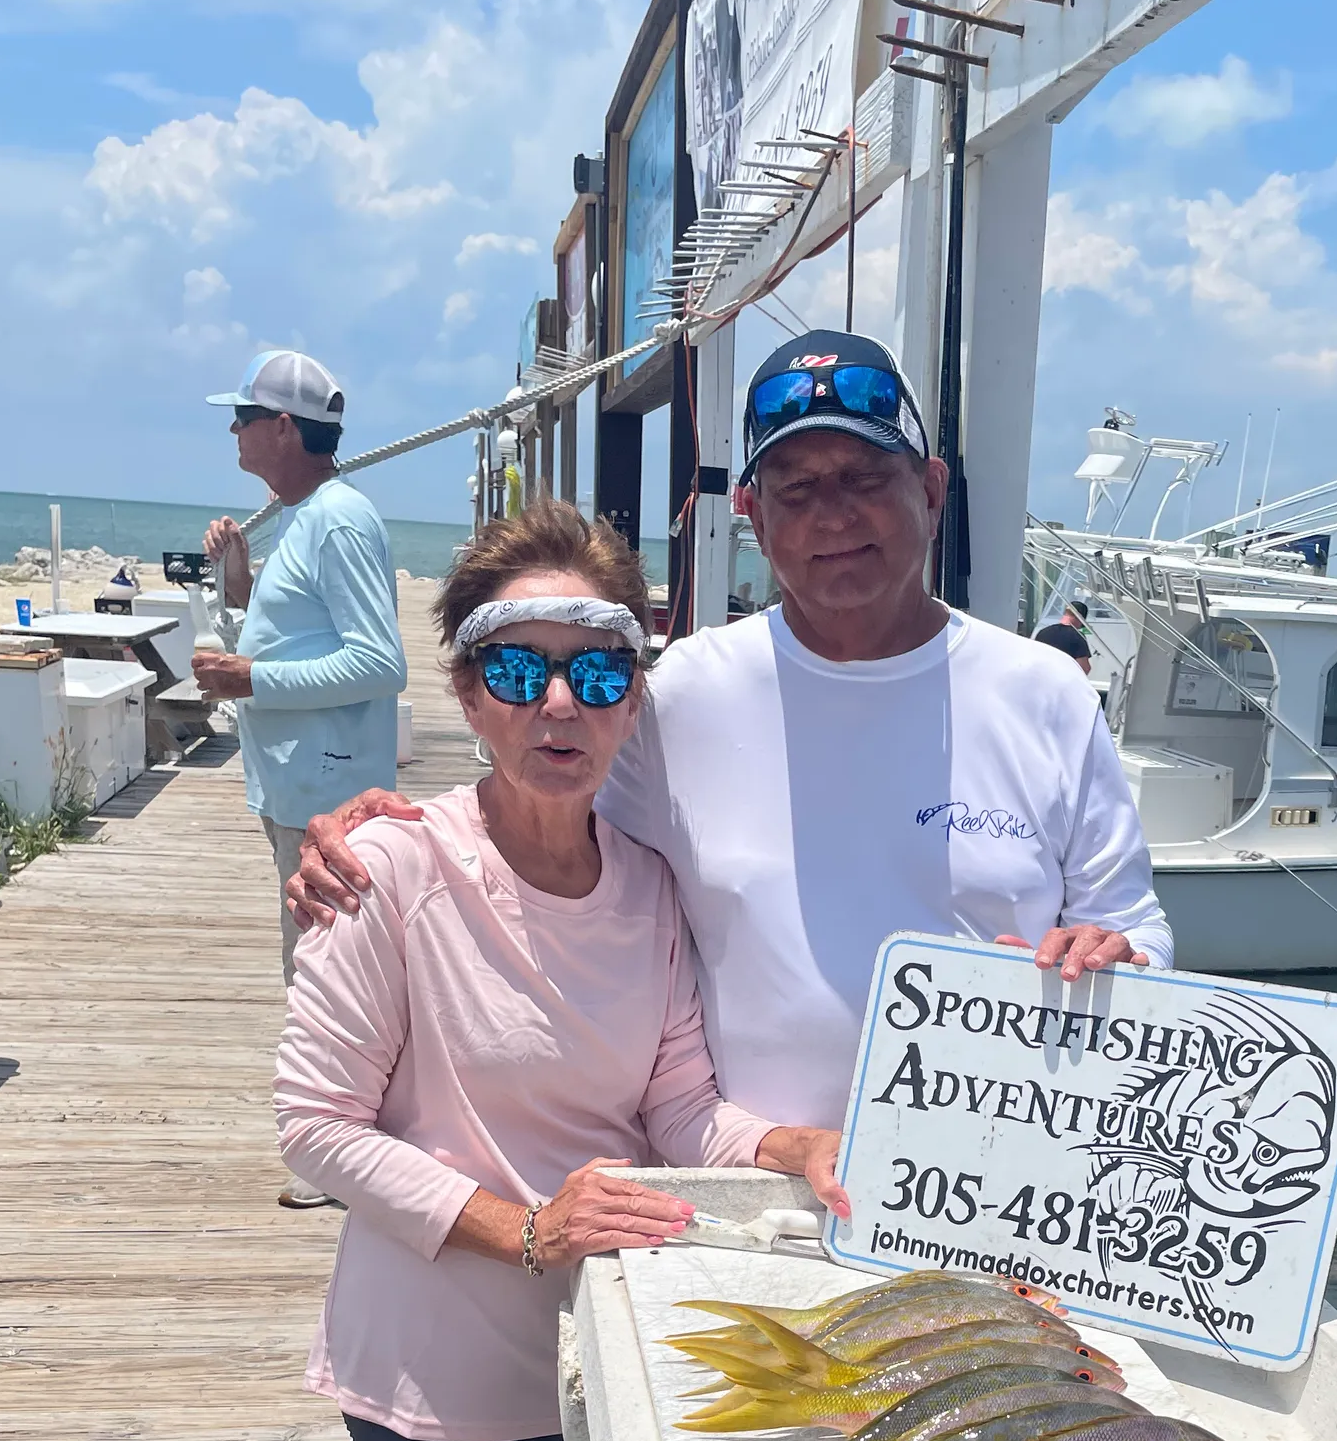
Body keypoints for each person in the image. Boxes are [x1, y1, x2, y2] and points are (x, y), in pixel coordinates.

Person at [273, 503, 843, 1441]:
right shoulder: (390, 871)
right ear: (464, 695)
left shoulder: (646, 887)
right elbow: (315, 1127)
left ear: (631, 697)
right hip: (434, 1339)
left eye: (597, 671)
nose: (557, 704)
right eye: (514, 668)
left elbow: (676, 1106)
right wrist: (522, 1225)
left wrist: (779, 1147)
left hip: (592, 1343)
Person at [289, 329, 1172, 1129]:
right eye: (796, 490)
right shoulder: (681, 693)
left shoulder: (1048, 694)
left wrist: (1121, 953)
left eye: (866, 479)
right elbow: (541, 813)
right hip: (746, 1180)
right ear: (750, 511)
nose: (833, 515)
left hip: (991, 1181)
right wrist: (376, 832)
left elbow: (1134, 926)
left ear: (931, 488)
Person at [201, 348, 407, 1204]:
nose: (235, 431)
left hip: (326, 796)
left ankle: (341, 1152)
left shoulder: (338, 519)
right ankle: (342, 1139)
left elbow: (379, 661)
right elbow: (298, 635)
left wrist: (253, 680)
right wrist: (239, 588)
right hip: (294, 788)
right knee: (316, 968)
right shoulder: (300, 516)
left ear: (283, 427)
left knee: (328, 973)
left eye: (244, 417)